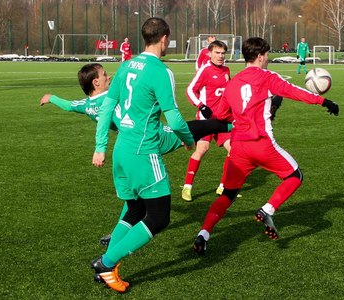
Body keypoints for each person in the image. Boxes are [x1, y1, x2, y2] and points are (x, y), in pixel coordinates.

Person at [39, 63, 232, 247]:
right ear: (95, 83)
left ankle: (116, 235)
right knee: (199, 127)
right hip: (150, 140)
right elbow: (125, 120)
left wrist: (51, 97)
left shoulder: (88, 104)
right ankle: (238, 125)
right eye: (104, 75)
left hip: (128, 148)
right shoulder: (111, 102)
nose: (109, 77)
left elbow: (70, 105)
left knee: (134, 201)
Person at [192, 37, 339, 255]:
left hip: (239, 147)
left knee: (228, 194)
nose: (268, 58)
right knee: (295, 176)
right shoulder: (267, 77)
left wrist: (204, 120)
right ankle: (267, 209)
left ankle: (203, 234)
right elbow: (294, 91)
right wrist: (324, 101)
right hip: (261, 144)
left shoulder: (232, 83)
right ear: (260, 56)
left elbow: (221, 117)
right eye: (267, 55)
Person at [90, 17, 196, 293]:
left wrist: (100, 146)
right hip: (143, 152)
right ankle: (106, 263)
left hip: (121, 150)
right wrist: (188, 141)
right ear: (165, 39)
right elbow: (173, 117)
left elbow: (106, 109)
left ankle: (104, 265)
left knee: (136, 209)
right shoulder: (160, 71)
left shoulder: (125, 66)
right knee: (159, 217)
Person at [182, 40, 232, 202]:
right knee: (202, 149)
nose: (220, 56)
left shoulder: (226, 70)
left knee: (233, 150)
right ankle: (188, 186)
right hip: (206, 120)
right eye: (217, 53)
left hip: (223, 119)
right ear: (209, 53)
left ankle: (223, 186)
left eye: (223, 53)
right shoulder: (205, 70)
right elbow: (190, 90)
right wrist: (201, 106)